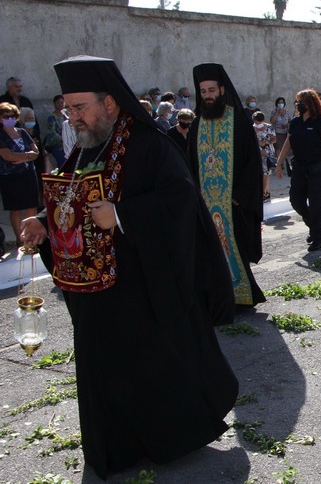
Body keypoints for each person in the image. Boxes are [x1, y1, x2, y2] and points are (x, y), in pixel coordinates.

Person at [19, 55, 238, 479]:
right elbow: (72, 198)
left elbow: (181, 203)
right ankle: (114, 448)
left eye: (80, 108)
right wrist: (44, 222)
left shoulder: (152, 144)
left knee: (151, 371)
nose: (74, 117)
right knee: (104, 372)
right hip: (95, 290)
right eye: (69, 109)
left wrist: (122, 216)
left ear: (111, 103)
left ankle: (167, 443)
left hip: (143, 288)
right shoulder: (84, 148)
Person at [187, 63, 266, 308]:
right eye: (203, 91)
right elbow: (190, 164)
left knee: (235, 250)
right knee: (209, 253)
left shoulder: (239, 120)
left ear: (221, 89)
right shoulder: (197, 123)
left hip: (233, 202)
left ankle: (242, 296)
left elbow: (252, 161)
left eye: (212, 90)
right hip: (206, 202)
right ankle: (220, 298)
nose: (208, 95)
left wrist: (240, 194)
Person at [276, 89, 321, 252]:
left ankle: (317, 238)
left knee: (316, 203)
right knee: (296, 201)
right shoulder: (296, 122)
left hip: (318, 170)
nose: (298, 104)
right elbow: (288, 143)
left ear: (310, 104)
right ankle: (314, 225)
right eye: (297, 102)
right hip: (299, 169)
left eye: (301, 101)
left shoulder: (320, 122)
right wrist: (279, 162)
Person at [0, 102, 39, 246]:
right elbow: (7, 155)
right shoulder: (1, 135)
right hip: (10, 177)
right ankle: (20, 240)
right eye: (5, 116)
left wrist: (23, 157)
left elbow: (36, 152)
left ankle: (31, 237)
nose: (9, 118)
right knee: (16, 208)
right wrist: (27, 156)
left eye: (12, 116)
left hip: (28, 174)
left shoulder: (22, 132)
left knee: (31, 206)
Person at [252, 110, 276, 201]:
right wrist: (257, 143)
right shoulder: (251, 128)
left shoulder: (269, 127)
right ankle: (265, 192)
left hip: (267, 153)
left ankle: (264, 193)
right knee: (259, 174)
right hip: (256, 153)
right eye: (256, 122)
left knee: (266, 173)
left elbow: (274, 139)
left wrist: (266, 142)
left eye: (260, 122)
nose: (258, 124)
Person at [44, 94, 68, 167]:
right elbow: (52, 133)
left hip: (69, 146)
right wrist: (63, 139)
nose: (60, 104)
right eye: (58, 102)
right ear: (54, 104)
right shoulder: (52, 118)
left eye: (62, 102)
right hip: (59, 147)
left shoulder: (67, 116)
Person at [270, 96, 292, 173]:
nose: (280, 104)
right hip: (277, 132)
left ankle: (283, 161)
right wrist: (277, 113)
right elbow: (272, 121)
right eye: (279, 102)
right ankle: (280, 163)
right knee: (278, 148)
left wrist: (287, 125)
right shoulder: (273, 111)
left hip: (285, 132)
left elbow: (290, 120)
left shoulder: (286, 112)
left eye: (282, 102)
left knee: (284, 148)